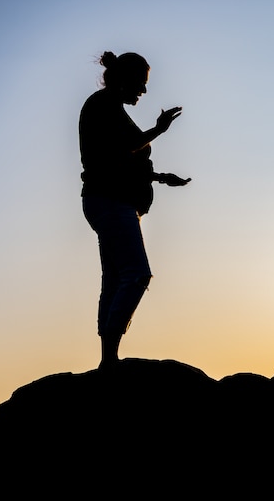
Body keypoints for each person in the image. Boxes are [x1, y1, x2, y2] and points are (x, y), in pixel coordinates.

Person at [79, 51, 190, 369]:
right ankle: (110, 358)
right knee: (136, 274)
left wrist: (159, 177)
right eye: (141, 84)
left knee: (114, 278)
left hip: (111, 200)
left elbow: (115, 159)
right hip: (109, 201)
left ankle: (108, 359)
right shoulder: (102, 104)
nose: (143, 91)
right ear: (124, 80)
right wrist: (159, 130)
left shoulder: (108, 107)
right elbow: (124, 149)